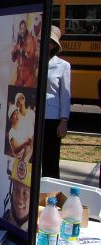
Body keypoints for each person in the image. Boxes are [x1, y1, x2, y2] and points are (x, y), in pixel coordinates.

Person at [42, 25, 71, 179]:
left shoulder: (63, 66)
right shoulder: (31, 60)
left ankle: (50, 193)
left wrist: (63, 120)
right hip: (32, 116)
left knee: (50, 160)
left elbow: (65, 95)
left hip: (51, 119)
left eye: (49, 40)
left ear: (54, 44)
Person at [3, 160, 31, 231]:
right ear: (11, 191)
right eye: (16, 190)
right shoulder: (2, 221)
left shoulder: (38, 228)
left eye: (25, 193)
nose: (19, 198)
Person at [12, 19, 38, 87]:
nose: (22, 31)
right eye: (21, 29)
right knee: (14, 91)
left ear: (26, 29)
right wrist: (14, 52)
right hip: (20, 74)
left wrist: (21, 51)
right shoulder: (19, 41)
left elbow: (30, 54)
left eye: (23, 29)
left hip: (29, 74)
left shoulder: (30, 40)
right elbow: (13, 59)